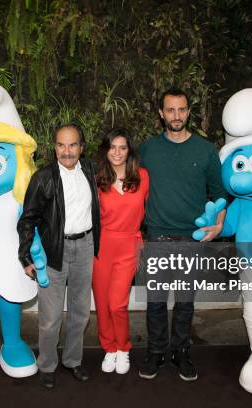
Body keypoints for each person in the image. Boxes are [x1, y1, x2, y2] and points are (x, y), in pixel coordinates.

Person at [138, 88, 227, 381]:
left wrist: (219, 225)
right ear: (161, 113)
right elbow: (132, 189)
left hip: (192, 240)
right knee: (155, 303)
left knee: (186, 302)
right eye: (170, 110)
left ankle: (181, 352)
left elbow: (219, 193)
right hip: (156, 239)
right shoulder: (148, 149)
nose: (176, 116)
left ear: (188, 112)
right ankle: (156, 352)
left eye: (181, 110)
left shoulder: (206, 150)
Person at [17, 123, 101, 389]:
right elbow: (27, 219)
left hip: (85, 247)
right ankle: (47, 364)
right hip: (54, 251)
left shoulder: (90, 171)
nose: (67, 151)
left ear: (81, 147)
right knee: (51, 316)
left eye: (73, 144)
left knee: (80, 312)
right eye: (61, 145)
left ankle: (73, 361)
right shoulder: (43, 177)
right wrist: (25, 257)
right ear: (54, 148)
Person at [93, 128, 149, 375]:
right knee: (103, 303)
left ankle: (123, 348)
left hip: (129, 244)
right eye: (112, 147)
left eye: (122, 147)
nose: (117, 152)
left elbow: (153, 209)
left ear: (129, 151)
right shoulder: (96, 179)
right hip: (101, 245)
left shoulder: (143, 177)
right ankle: (110, 348)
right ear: (106, 150)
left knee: (117, 303)